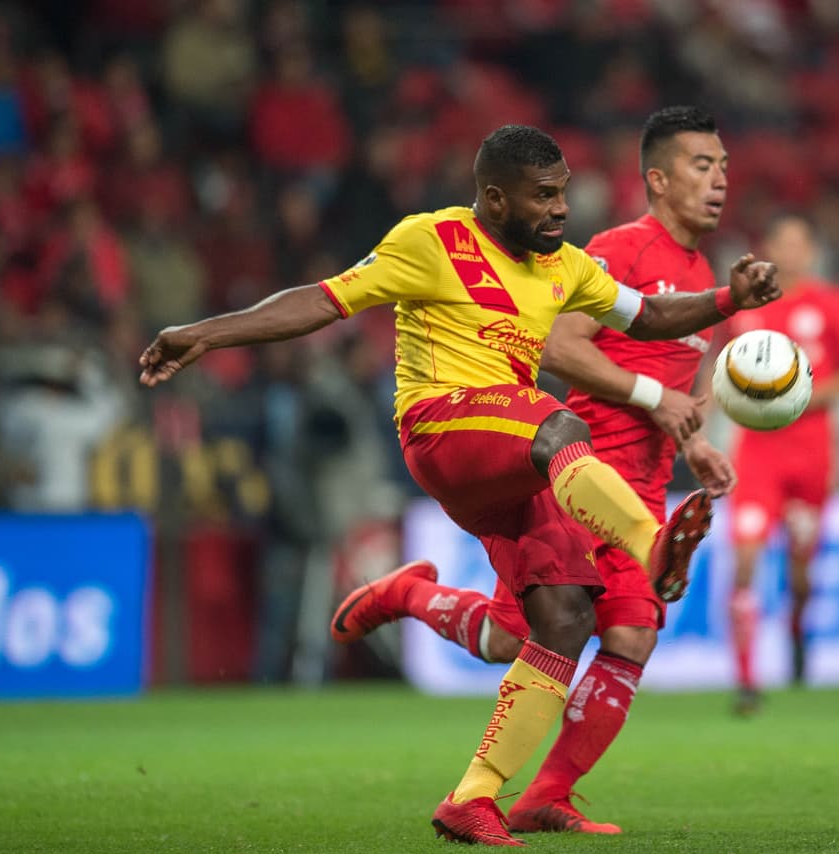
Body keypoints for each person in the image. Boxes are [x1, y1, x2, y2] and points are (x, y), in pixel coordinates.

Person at [137, 124, 780, 846]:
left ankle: (471, 797)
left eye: (564, 193)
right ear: (495, 198)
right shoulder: (431, 240)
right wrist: (205, 333)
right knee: (560, 423)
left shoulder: (565, 266)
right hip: (443, 429)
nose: (562, 210)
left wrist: (729, 299)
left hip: (515, 457)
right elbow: (322, 300)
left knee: (560, 619)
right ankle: (651, 542)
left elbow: (651, 315)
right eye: (544, 197)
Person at [330, 106, 738, 836]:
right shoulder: (616, 248)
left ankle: (543, 792)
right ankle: (413, 597)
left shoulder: (700, 277)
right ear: (658, 178)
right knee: (517, 639)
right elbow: (560, 346)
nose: (719, 181)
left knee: (618, 634)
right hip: (567, 462)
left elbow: (669, 374)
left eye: (724, 168)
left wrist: (693, 439)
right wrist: (652, 395)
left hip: (633, 478)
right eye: (703, 166)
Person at [723, 213, 839, 715]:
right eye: (780, 243)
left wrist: (795, 396)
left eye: (797, 243)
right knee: (744, 561)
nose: (789, 252)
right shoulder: (744, 308)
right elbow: (720, 372)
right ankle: (746, 682)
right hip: (757, 456)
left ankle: (796, 632)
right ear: (769, 249)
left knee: (801, 573)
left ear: (811, 251)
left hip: (810, 455)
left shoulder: (834, 304)